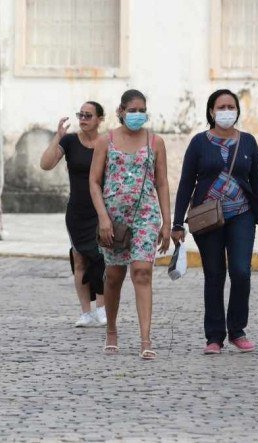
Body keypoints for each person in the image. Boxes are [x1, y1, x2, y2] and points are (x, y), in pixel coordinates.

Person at [172, 89, 258, 355]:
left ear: (237, 110)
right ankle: (214, 337)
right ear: (211, 111)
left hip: (242, 215)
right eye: (221, 106)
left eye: (231, 106)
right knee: (214, 275)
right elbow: (186, 183)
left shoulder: (248, 142)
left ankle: (237, 330)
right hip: (208, 218)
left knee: (241, 271)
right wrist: (177, 224)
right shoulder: (198, 143)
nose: (227, 111)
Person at [89, 89, 171, 360]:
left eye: (141, 110)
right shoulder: (105, 141)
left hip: (146, 214)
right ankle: (111, 330)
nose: (137, 115)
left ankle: (145, 339)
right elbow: (94, 182)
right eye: (132, 110)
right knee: (113, 276)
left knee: (142, 271)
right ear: (121, 111)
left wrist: (167, 223)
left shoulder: (155, 141)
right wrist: (103, 217)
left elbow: (161, 182)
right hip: (113, 218)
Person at [40, 101, 107, 328]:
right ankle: (86, 312)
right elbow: (45, 164)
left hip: (101, 209)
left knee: (101, 258)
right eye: (81, 115)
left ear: (99, 119)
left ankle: (102, 308)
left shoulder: (107, 143)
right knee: (79, 259)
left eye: (89, 115)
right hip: (77, 210)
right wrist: (57, 137)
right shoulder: (69, 142)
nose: (84, 119)